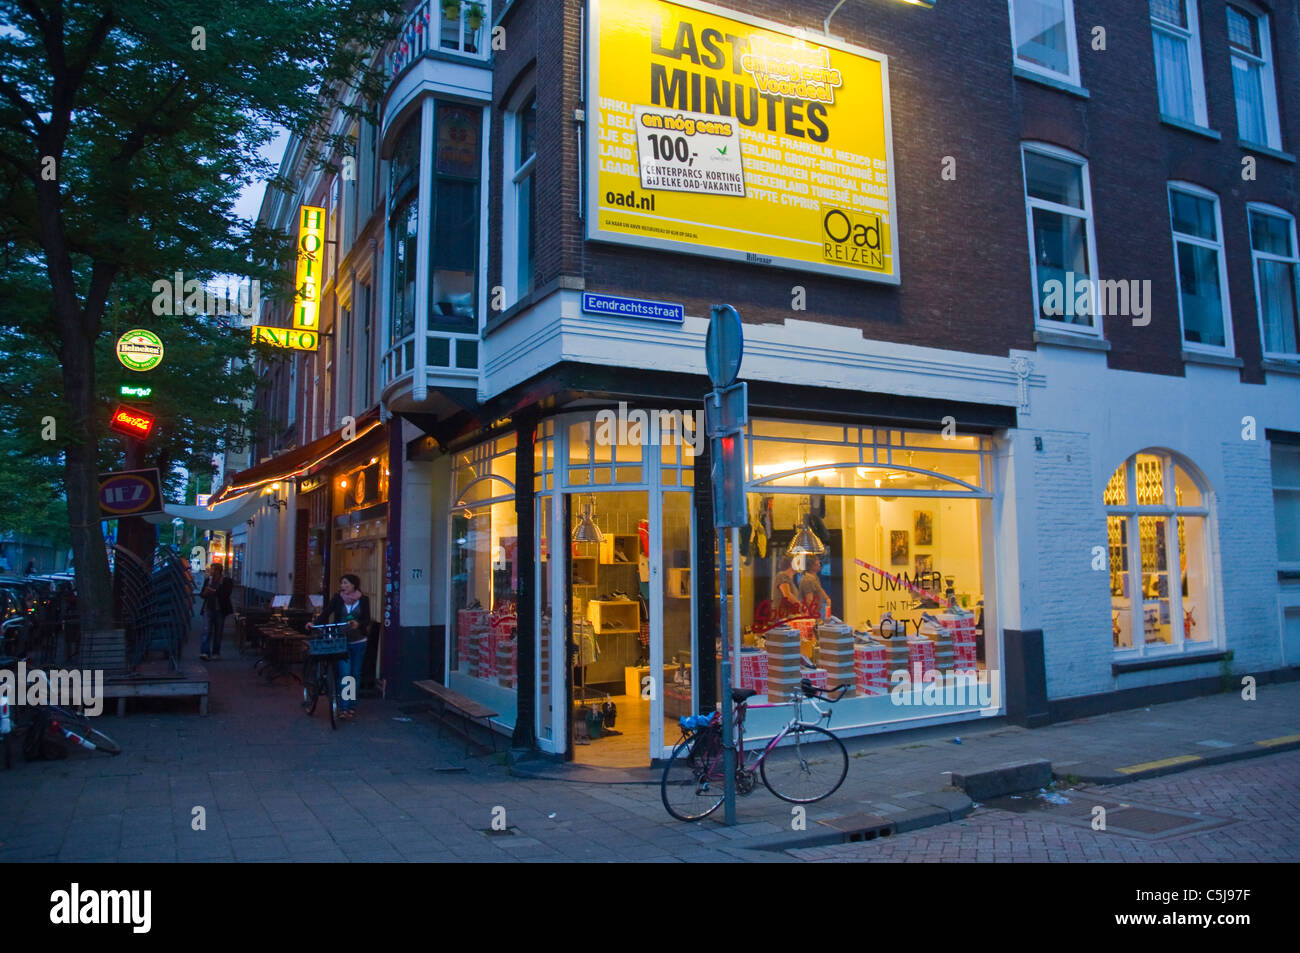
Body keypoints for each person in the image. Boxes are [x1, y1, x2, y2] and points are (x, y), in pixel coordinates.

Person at [313, 574, 370, 720]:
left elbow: (367, 619)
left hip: (359, 642)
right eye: (342, 583)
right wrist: (315, 624)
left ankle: (352, 706)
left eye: (345, 583)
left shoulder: (363, 600)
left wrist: (359, 624)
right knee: (346, 674)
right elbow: (326, 613)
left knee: (355, 675)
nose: (342, 586)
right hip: (342, 642)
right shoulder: (338, 599)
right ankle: (344, 708)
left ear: (354, 585)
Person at [199, 564, 233, 660]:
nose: (210, 571)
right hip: (208, 608)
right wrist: (205, 593)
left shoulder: (226, 581)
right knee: (206, 630)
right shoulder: (208, 581)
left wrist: (213, 591)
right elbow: (202, 594)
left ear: (218, 571)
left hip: (220, 610)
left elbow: (226, 594)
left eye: (212, 570)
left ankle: (215, 652)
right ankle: (204, 652)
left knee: (218, 632)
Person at [797, 554, 832, 620]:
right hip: (810, 616)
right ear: (811, 566)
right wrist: (814, 617)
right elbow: (809, 600)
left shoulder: (814, 577)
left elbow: (820, 589)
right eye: (817, 563)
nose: (819, 565)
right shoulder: (808, 579)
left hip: (816, 613)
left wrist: (827, 599)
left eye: (819, 563)